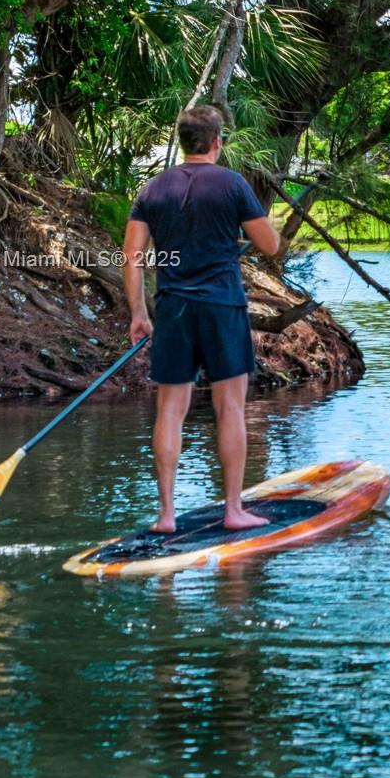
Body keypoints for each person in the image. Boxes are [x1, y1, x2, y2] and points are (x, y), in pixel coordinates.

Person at [123, 106, 281, 532]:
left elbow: (132, 258)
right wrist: (271, 226)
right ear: (216, 143)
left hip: (172, 308)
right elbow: (268, 245)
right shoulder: (233, 184)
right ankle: (233, 510)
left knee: (170, 410)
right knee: (230, 406)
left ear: (182, 142)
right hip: (223, 306)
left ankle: (166, 515)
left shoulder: (152, 189)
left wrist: (139, 312)